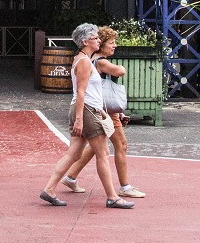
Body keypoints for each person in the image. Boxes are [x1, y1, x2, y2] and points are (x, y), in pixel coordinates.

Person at [39, 23, 135, 209]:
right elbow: (81, 92)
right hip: (86, 110)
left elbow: (87, 93)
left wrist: (100, 111)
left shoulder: (83, 59)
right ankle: (112, 197)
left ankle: (49, 188)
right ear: (85, 41)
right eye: (95, 38)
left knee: (73, 153)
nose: (99, 40)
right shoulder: (84, 62)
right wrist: (81, 119)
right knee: (103, 153)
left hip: (87, 109)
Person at [61, 26, 145, 199]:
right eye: (111, 43)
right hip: (102, 111)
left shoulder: (91, 60)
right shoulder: (100, 62)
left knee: (95, 147)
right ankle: (123, 187)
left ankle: (70, 176)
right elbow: (119, 71)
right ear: (100, 45)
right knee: (119, 145)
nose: (114, 46)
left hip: (102, 109)